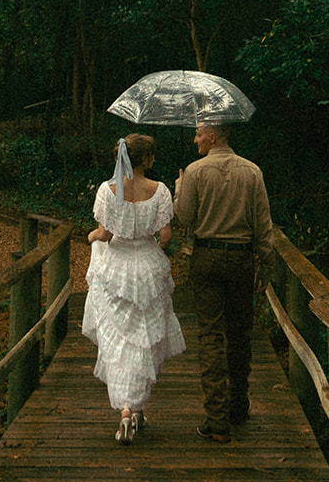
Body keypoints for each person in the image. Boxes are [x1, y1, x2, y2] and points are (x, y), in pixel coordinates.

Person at [174, 119, 275, 443]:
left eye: (199, 134)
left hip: (207, 259)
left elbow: (184, 218)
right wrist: (267, 264)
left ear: (213, 137)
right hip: (242, 259)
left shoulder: (195, 172)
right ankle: (238, 407)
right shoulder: (252, 172)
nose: (195, 140)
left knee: (211, 335)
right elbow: (263, 224)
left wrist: (178, 192)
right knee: (240, 333)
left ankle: (217, 420)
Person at [82, 131, 186, 442]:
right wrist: (153, 243)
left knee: (119, 339)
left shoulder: (107, 190)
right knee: (145, 337)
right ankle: (137, 407)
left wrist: (91, 237)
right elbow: (165, 236)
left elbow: (104, 234)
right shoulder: (161, 190)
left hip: (117, 268)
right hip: (148, 265)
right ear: (148, 159)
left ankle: (126, 412)